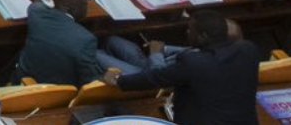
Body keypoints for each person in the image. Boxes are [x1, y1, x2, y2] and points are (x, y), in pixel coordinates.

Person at [104, 7, 263, 121]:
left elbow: (156, 78)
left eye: (190, 29)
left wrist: (119, 80)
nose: (187, 32)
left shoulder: (194, 63)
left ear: (203, 36)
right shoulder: (248, 50)